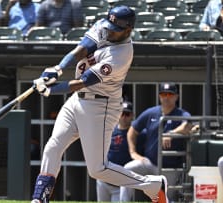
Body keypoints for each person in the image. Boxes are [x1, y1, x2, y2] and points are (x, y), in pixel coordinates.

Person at [31, 5, 168, 203]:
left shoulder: (121, 55)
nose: (109, 31)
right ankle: (40, 198)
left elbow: (83, 81)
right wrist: (58, 68)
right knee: (53, 147)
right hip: (77, 101)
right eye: (109, 25)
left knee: (98, 169)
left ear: (128, 30)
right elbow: (80, 50)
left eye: (115, 29)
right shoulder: (105, 27)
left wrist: (51, 89)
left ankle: (153, 185)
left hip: (100, 107)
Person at [120, 82, 193, 202]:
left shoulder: (181, 114)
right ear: (159, 96)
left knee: (167, 198)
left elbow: (188, 125)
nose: (167, 97)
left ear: (176, 97)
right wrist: (133, 153)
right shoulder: (151, 112)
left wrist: (171, 134)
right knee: (127, 170)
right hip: (150, 163)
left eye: (170, 94)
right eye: (164, 94)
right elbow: (132, 130)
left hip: (169, 167)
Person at [96, 101, 147, 202]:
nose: (124, 117)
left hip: (121, 185)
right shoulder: (109, 130)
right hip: (104, 181)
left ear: (132, 116)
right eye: (121, 113)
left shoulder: (138, 134)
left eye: (127, 114)